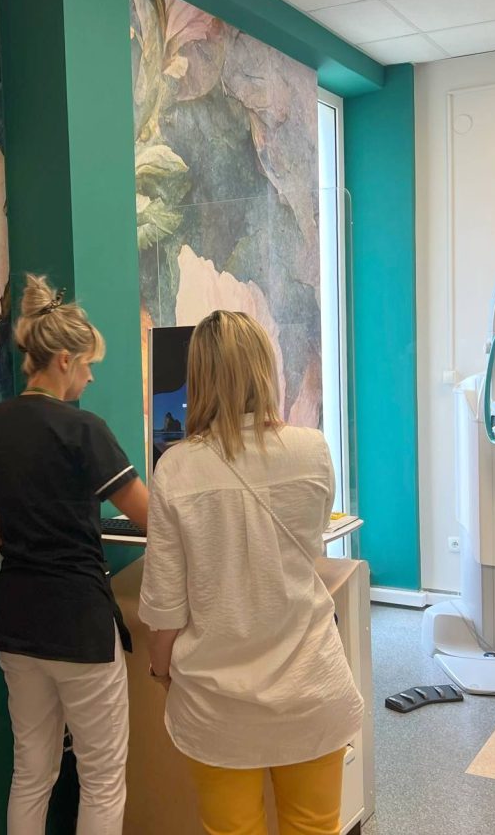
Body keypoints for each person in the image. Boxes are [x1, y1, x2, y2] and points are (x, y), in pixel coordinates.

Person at [139, 310, 365, 835]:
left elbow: (165, 610)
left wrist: (161, 674)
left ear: (199, 377)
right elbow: (310, 541)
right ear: (266, 368)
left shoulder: (175, 469)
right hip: (310, 687)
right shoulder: (312, 451)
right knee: (316, 827)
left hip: (218, 704)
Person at [0, 273, 149, 835]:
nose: (91, 378)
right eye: (88, 365)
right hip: (80, 625)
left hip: (18, 622)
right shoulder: (83, 430)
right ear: (64, 360)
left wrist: (29, 535)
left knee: (31, 773)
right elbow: (152, 518)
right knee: (102, 779)